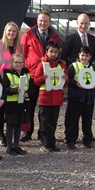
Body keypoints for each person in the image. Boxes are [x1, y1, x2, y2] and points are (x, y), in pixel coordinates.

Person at [20, 11, 61, 141]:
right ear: (37, 21)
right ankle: (27, 131)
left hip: (48, 75)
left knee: (45, 107)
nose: (43, 23)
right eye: (40, 21)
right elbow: (22, 52)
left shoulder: (54, 36)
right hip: (32, 74)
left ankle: (43, 133)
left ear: (49, 22)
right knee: (29, 106)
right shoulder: (28, 34)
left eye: (46, 21)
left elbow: (57, 53)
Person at [0, 22, 23, 147]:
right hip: (1, 81)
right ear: (5, 31)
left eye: (14, 31)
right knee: (0, 108)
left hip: (14, 82)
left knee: (11, 109)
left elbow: (22, 63)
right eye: (9, 30)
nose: (11, 33)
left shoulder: (19, 47)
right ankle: (1, 135)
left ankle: (11, 135)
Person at [34, 41, 67, 153]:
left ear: (58, 53)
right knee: (44, 122)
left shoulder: (62, 65)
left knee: (53, 122)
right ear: (46, 52)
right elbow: (36, 81)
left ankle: (52, 143)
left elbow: (66, 83)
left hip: (56, 99)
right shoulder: (42, 64)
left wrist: (65, 78)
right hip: (45, 99)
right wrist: (43, 77)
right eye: (51, 51)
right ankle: (44, 143)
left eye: (55, 52)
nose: (53, 54)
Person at [65, 46, 95, 149]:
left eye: (87, 56)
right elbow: (68, 80)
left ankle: (87, 140)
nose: (84, 57)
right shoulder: (73, 67)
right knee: (73, 120)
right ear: (79, 55)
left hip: (89, 98)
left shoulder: (93, 68)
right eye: (82, 55)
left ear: (90, 57)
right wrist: (76, 83)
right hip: (76, 98)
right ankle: (71, 140)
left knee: (87, 121)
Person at [1, 53, 32, 156]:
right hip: (11, 104)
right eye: (16, 62)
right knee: (10, 126)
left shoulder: (27, 74)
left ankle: (16, 146)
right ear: (11, 63)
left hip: (22, 103)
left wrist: (28, 94)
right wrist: (15, 90)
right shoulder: (8, 75)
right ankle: (9, 147)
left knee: (19, 125)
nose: (19, 64)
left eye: (21, 62)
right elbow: (4, 89)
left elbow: (31, 88)